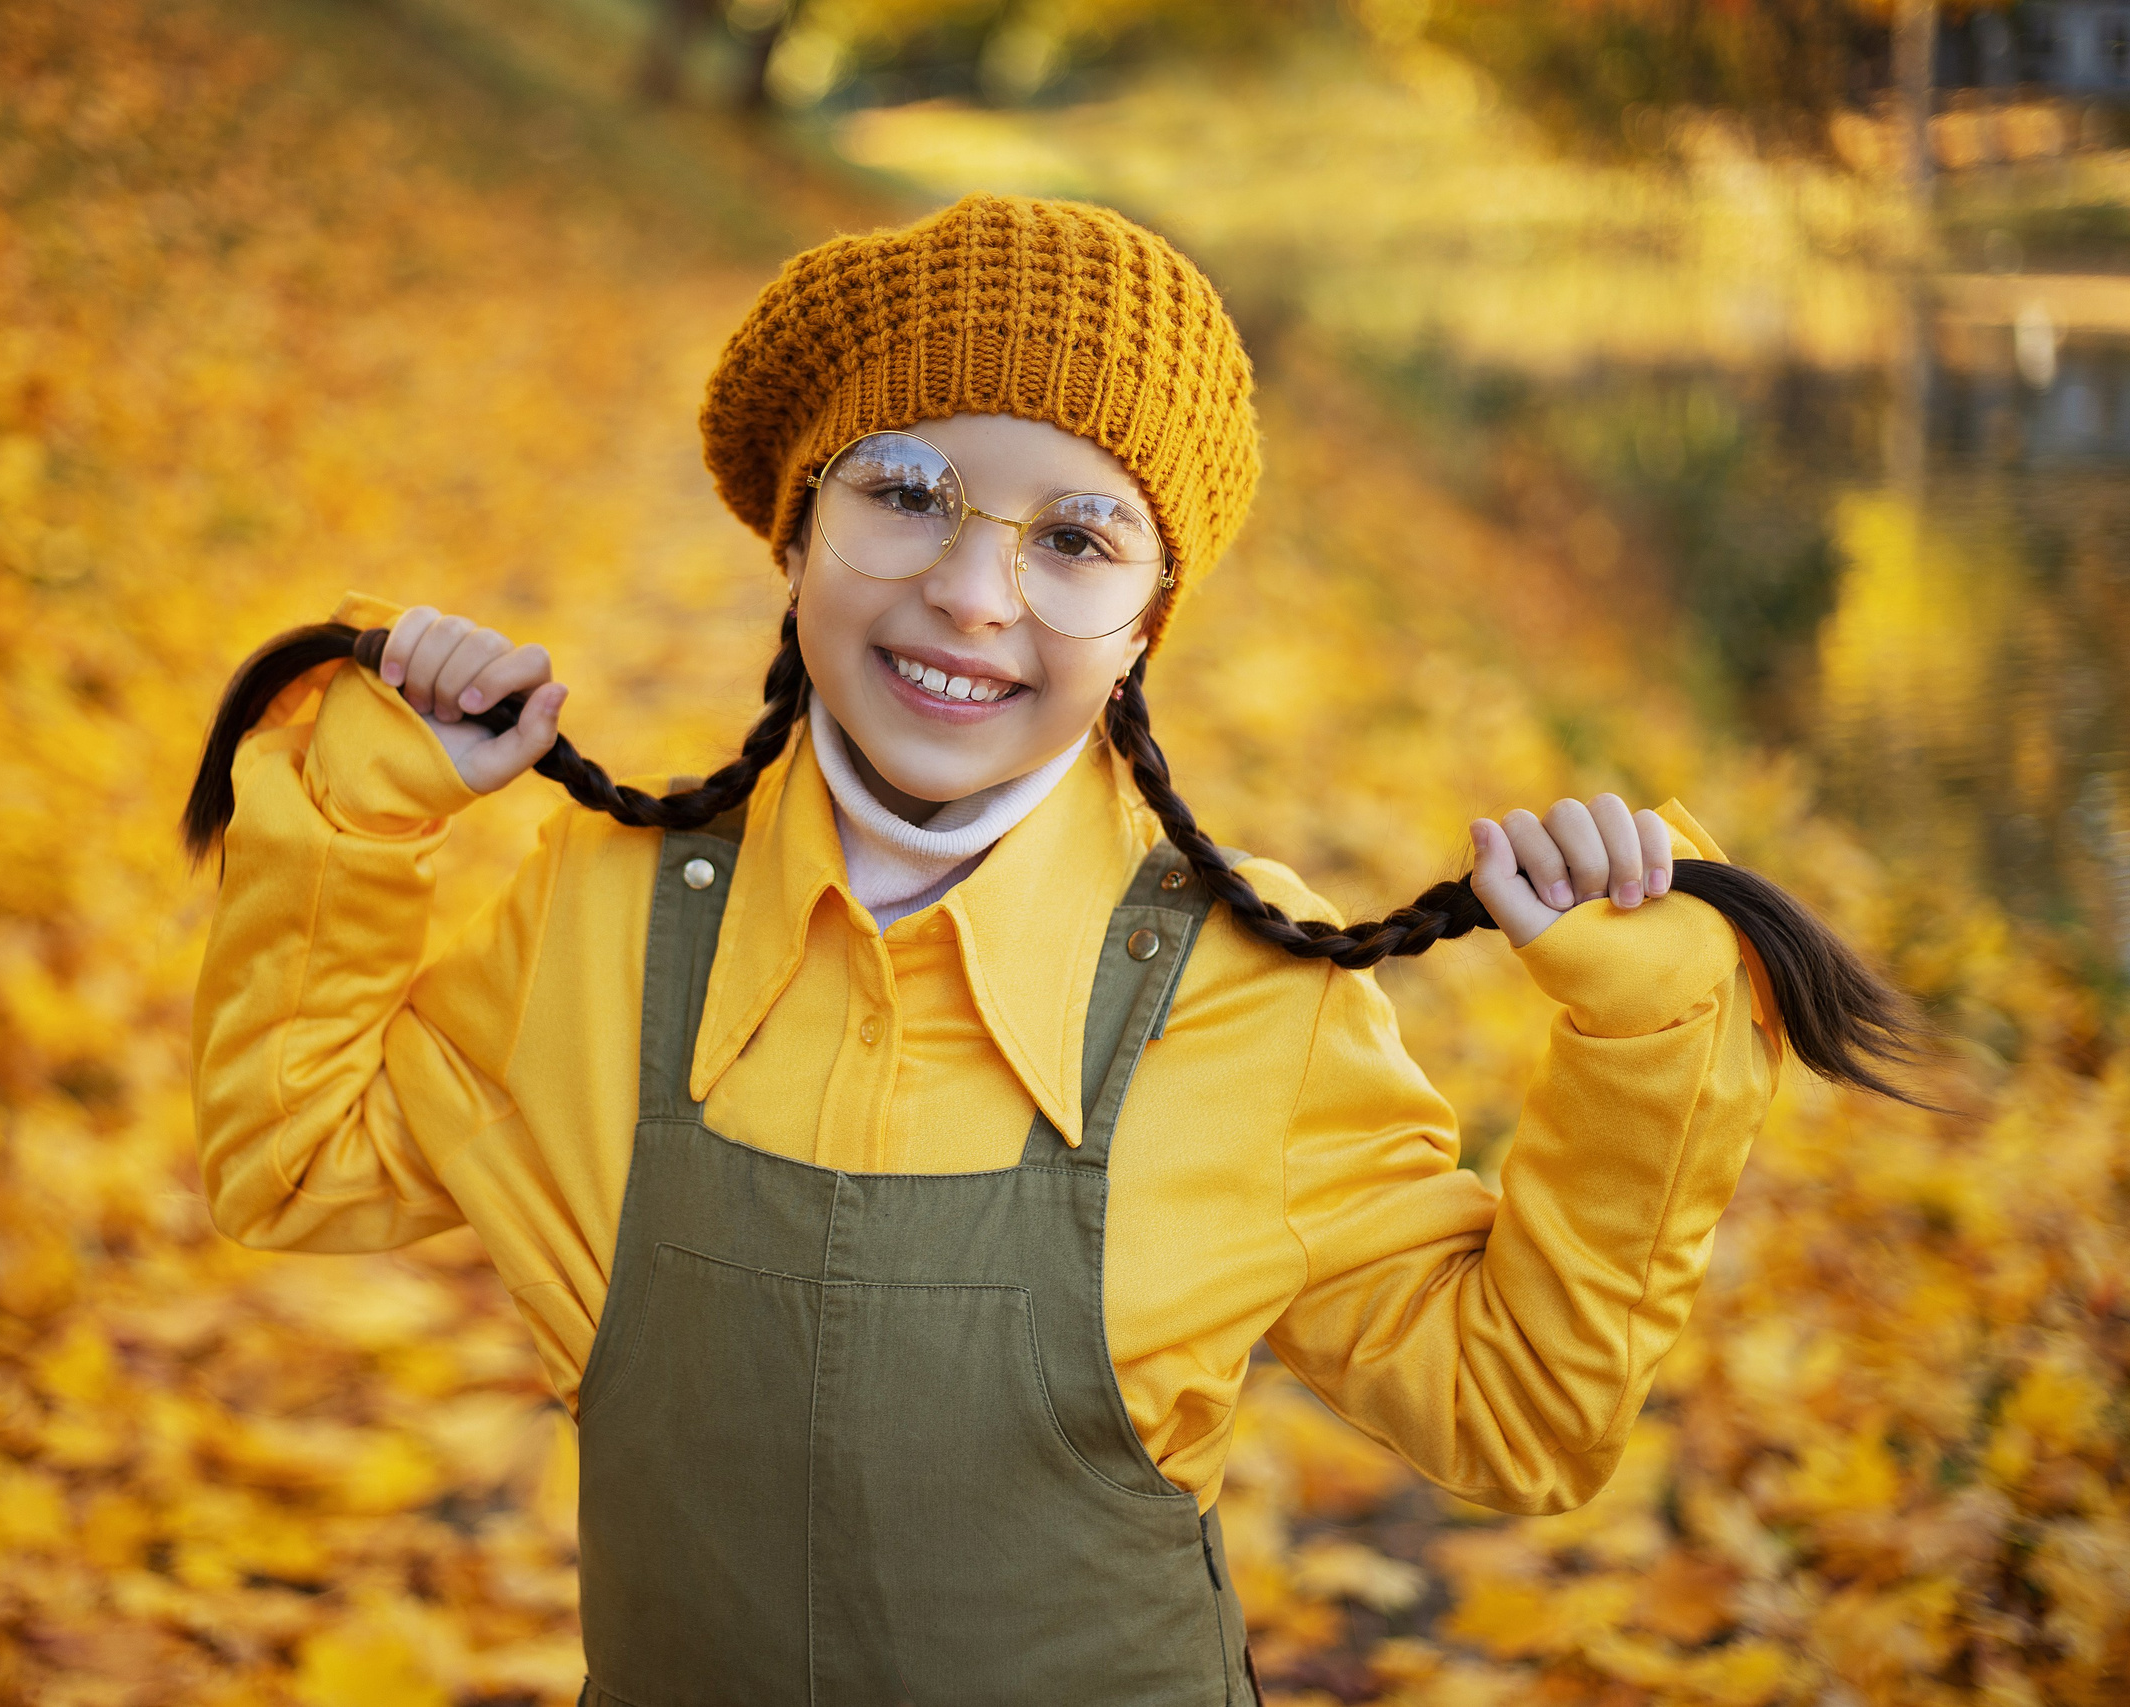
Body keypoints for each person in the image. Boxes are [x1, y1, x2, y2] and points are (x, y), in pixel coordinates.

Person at [181, 195, 1922, 1706]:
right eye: (907, 493)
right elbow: (290, 1159)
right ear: (794, 531)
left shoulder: (1251, 995)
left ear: (1150, 618)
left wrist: (1645, 1045)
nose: (972, 592)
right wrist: (365, 803)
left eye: (1077, 538)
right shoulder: (607, 912)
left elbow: (1519, 1421)